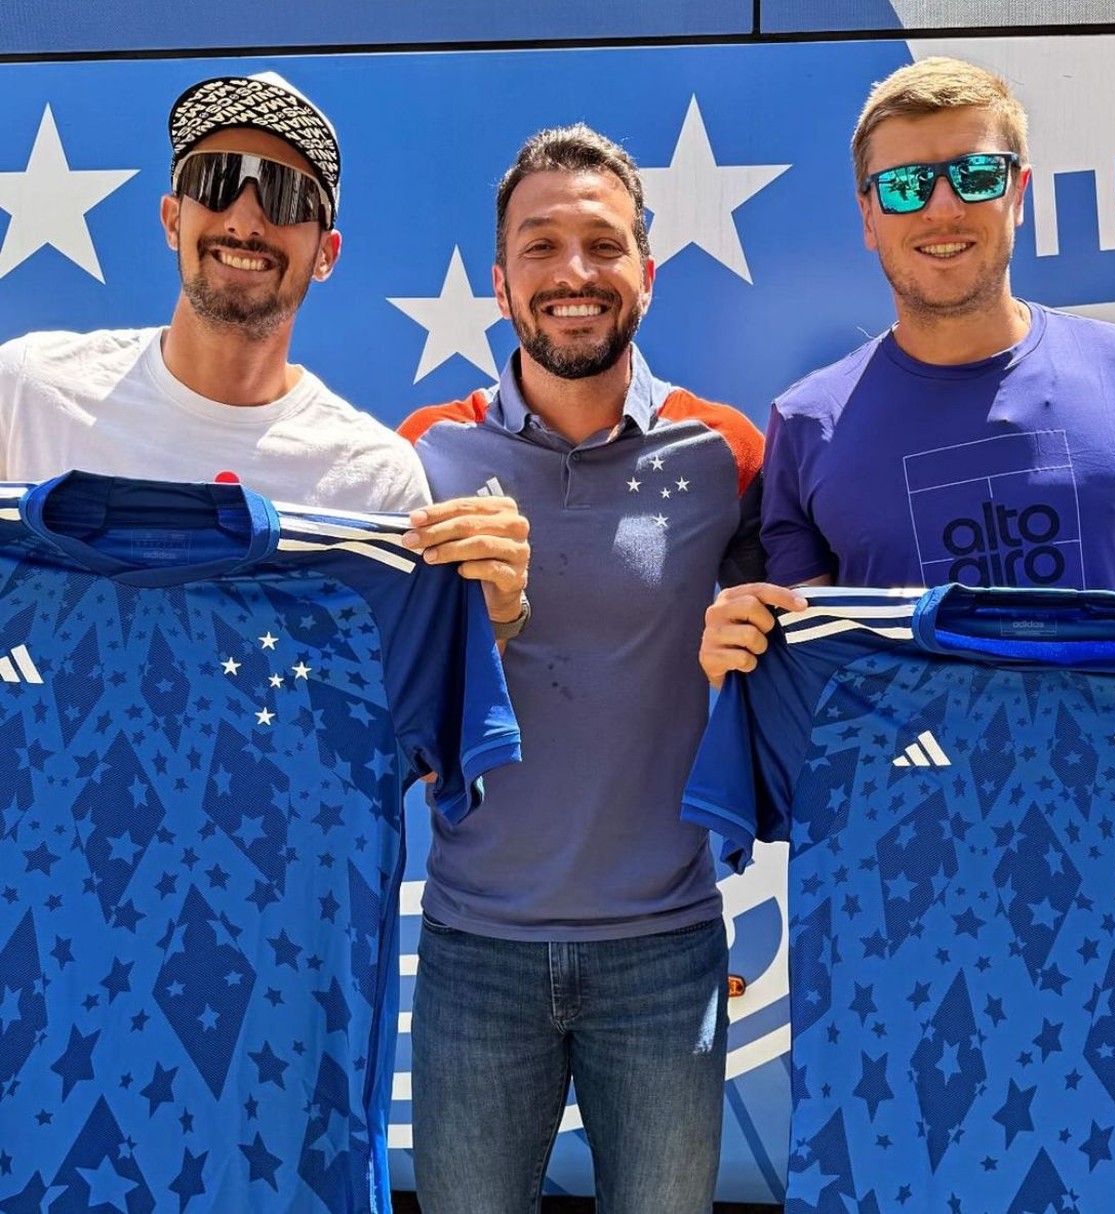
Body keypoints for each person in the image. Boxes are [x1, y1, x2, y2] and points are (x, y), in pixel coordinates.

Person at [396, 123, 766, 1214]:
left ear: (645, 273)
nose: (573, 273)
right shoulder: (421, 452)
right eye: (541, 245)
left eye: (602, 245)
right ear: (503, 281)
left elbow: (791, 682)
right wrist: (491, 626)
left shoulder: (728, 453)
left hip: (667, 955)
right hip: (475, 949)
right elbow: (391, 708)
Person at [700, 55, 1115, 690]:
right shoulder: (806, 424)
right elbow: (804, 682)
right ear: (868, 217)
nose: (943, 207)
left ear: (1018, 195)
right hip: (906, 787)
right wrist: (738, 660)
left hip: (1111, 781)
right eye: (906, 184)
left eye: (975, 174)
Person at [0, 70, 530, 629]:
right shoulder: (26, 393)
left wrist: (497, 617)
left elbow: (405, 702)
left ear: (326, 253)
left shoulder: (375, 480)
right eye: (216, 179)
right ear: (172, 218)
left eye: (284, 194)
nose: (244, 221)